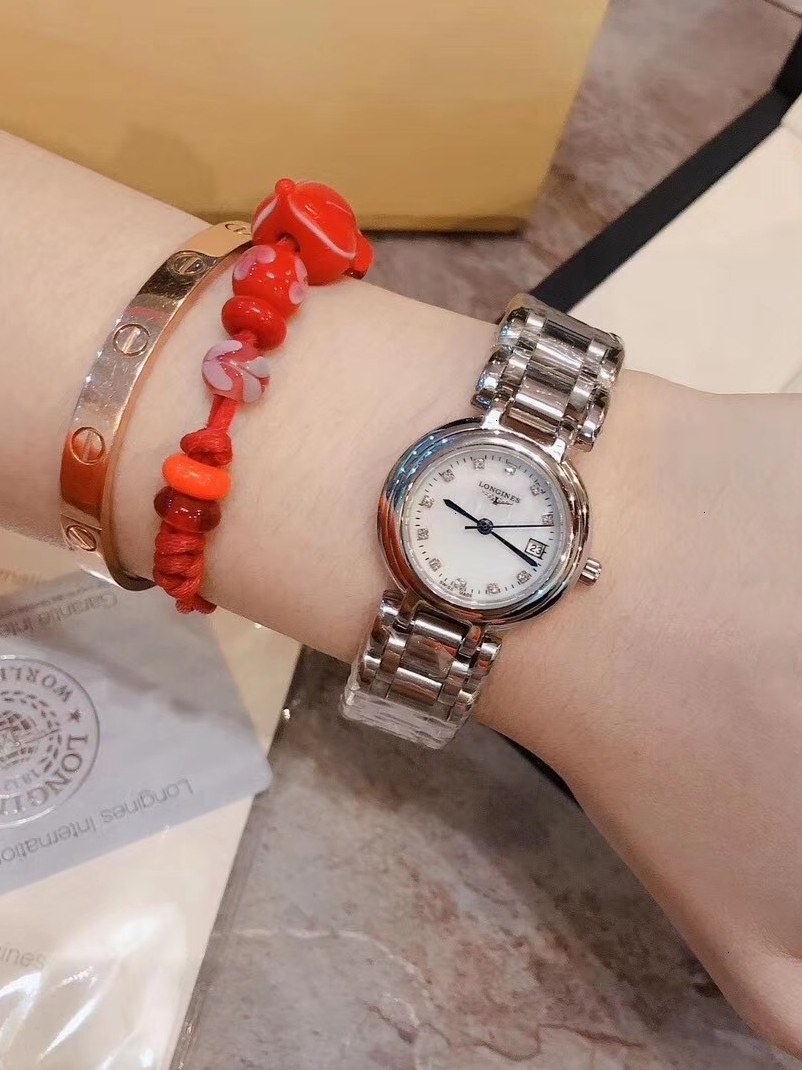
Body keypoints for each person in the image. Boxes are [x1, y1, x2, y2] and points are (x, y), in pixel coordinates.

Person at [0, 130, 800, 1055]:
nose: (494, 533)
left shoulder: (518, 566)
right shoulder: (466, 499)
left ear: (568, 558)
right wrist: (655, 530)